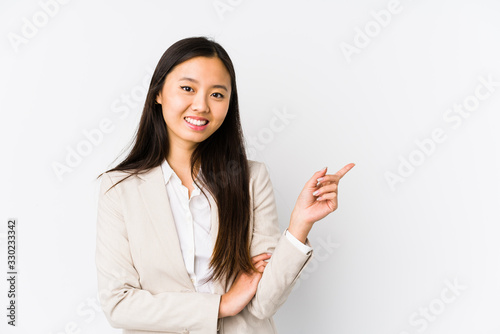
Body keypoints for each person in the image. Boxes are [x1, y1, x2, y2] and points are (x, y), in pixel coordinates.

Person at [95, 36, 355, 334]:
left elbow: (264, 304)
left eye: (217, 95)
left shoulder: (251, 179)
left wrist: (299, 225)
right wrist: (222, 305)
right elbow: (119, 305)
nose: (201, 105)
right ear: (158, 93)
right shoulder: (118, 189)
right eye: (188, 89)